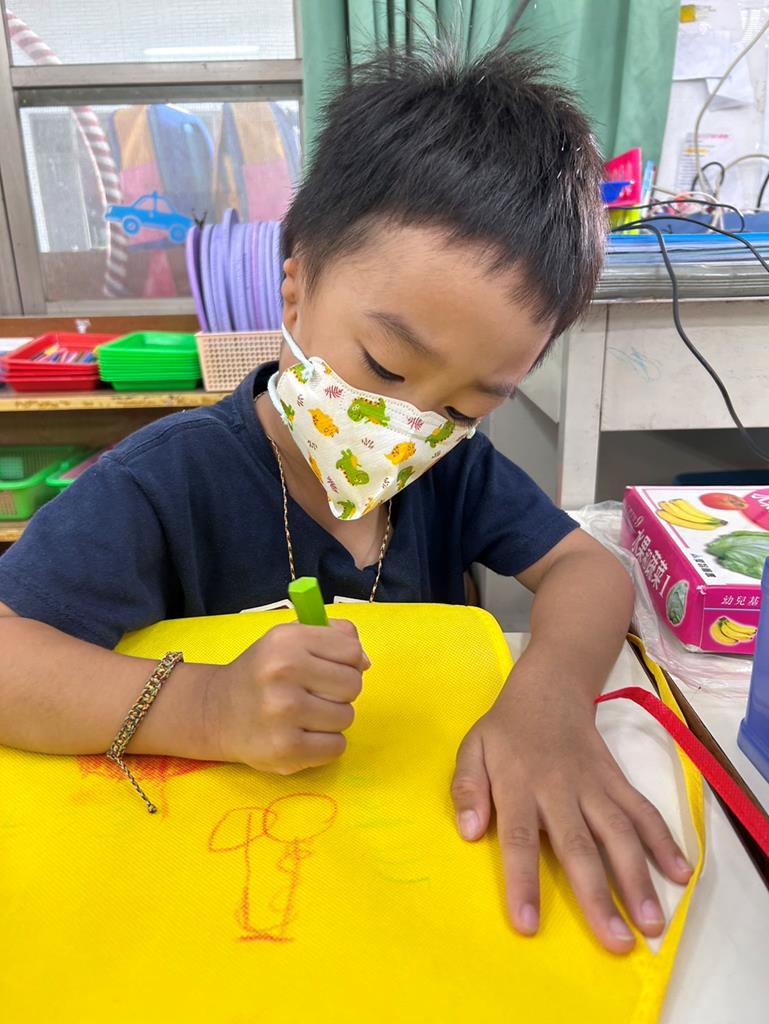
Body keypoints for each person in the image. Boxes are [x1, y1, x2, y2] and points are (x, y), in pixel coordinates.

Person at [0, 43, 692, 954]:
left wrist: (551, 699)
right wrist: (206, 708)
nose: (408, 426)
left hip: (398, 884)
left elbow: (587, 570)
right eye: (386, 367)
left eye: (467, 405)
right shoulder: (166, 482)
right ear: (295, 285)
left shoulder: (450, 469)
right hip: (217, 895)